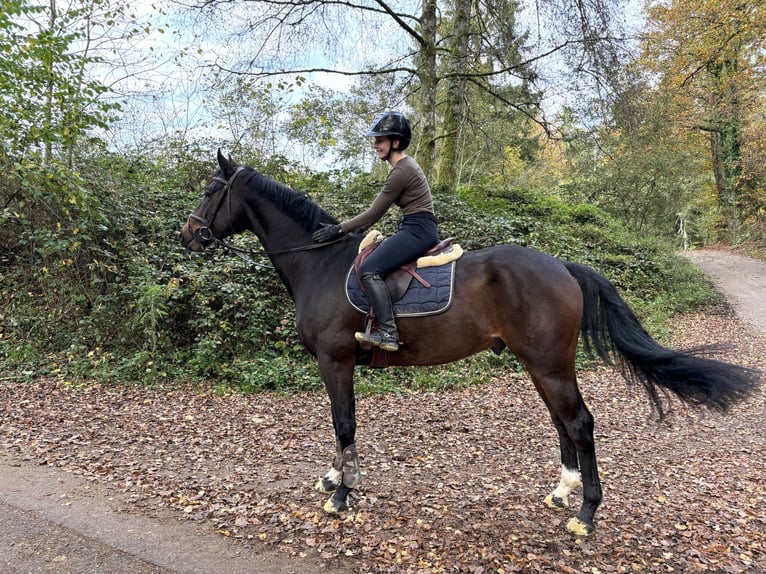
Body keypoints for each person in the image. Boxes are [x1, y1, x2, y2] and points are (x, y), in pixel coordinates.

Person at [312, 111, 438, 352]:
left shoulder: (401, 171)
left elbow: (373, 214)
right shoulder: (405, 166)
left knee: (369, 269)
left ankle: (389, 333)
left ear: (396, 142)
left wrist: (338, 230)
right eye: (375, 141)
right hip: (415, 227)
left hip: (418, 229)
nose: (375, 145)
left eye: (380, 141)